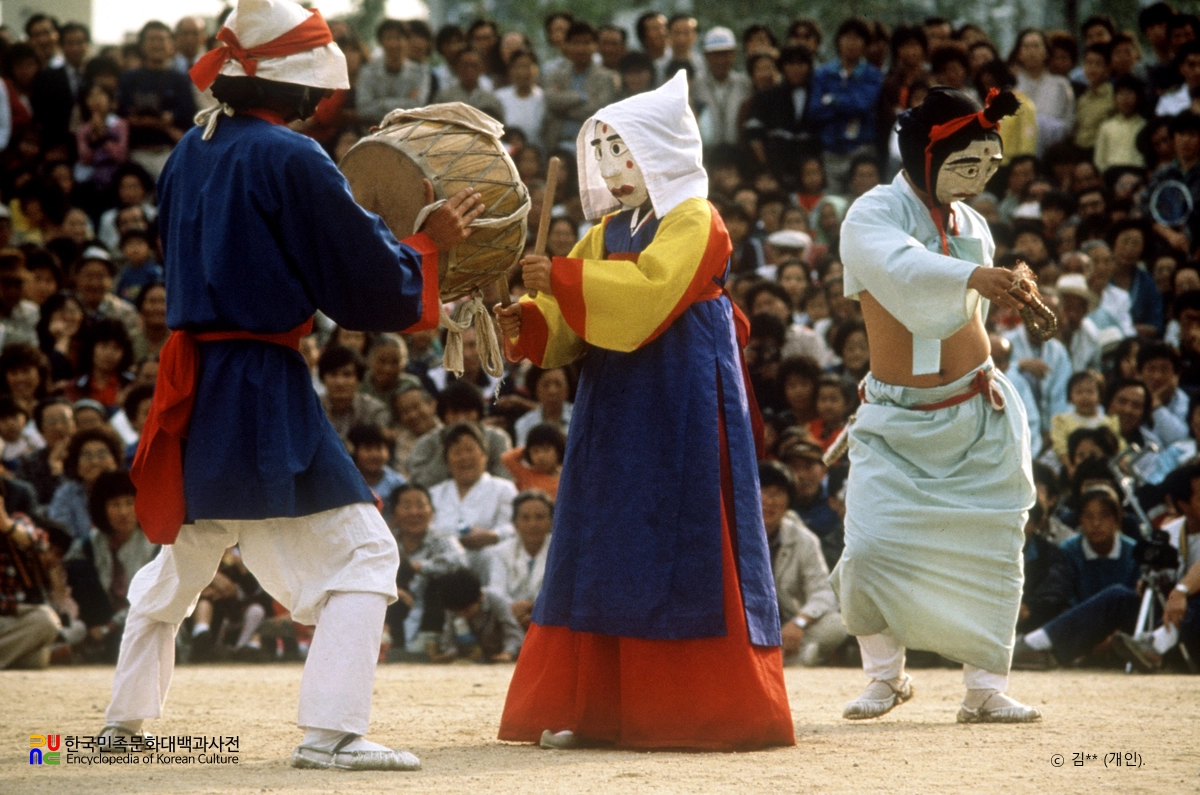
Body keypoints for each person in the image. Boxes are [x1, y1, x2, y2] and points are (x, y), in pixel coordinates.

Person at [99, 0, 484, 772]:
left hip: (195, 377)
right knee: (367, 555)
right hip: (257, 380)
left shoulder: (188, 150)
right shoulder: (292, 156)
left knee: (184, 553)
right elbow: (364, 281)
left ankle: (122, 721)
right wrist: (426, 244)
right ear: (297, 86)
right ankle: (331, 733)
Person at [494, 73, 793, 750]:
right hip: (617, 396)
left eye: (625, 153)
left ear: (662, 152)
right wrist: (530, 317)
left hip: (682, 388)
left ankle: (694, 709)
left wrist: (563, 280)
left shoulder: (696, 217)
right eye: (604, 156)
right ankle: (602, 708)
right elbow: (569, 327)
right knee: (609, 533)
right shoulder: (608, 230)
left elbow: (654, 292)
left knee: (681, 529)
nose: (614, 170)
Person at [831, 87, 1042, 723]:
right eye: (965, 165)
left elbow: (967, 304)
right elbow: (902, 269)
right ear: (926, 156)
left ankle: (983, 689)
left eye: (986, 167)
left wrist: (1011, 286)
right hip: (898, 417)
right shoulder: (870, 214)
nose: (977, 179)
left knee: (992, 549)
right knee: (867, 550)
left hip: (977, 405)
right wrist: (973, 278)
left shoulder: (972, 223)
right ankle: (885, 677)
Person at [759, 461, 846, 666]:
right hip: (747, 627)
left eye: (777, 493)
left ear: (789, 501)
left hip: (786, 625)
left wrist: (799, 622)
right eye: (762, 492)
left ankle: (774, 660)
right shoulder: (734, 537)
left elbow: (824, 592)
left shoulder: (803, 539)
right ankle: (792, 659)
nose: (768, 501)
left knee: (837, 624)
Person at [427, 566, 524, 663]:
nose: (462, 615)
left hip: (501, 653)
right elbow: (448, 634)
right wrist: (450, 652)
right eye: (457, 612)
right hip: (475, 657)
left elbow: (513, 632)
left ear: (480, 597)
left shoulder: (496, 600)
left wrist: (508, 653)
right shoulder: (454, 604)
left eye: (466, 611)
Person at [487, 489, 553, 629]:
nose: (532, 524)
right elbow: (496, 593)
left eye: (540, 517)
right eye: (525, 517)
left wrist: (534, 611)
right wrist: (514, 612)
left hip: (548, 622)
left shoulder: (561, 552)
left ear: (551, 522)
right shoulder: (501, 552)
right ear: (515, 523)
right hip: (511, 621)